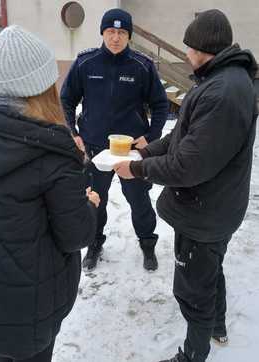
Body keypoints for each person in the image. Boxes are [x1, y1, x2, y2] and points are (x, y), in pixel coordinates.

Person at [113, 9, 258, 362]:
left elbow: (187, 165)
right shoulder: (222, 80)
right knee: (210, 270)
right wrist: (145, 149)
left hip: (205, 211)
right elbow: (182, 138)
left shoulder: (222, 92)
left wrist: (138, 169)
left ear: (202, 48)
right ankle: (218, 327)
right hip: (216, 207)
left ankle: (194, 353)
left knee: (193, 290)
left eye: (189, 47)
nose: (186, 53)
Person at [0, 25, 99, 362]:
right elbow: (75, 234)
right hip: (28, 301)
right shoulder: (52, 153)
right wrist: (88, 202)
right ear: (44, 85)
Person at [60, 8, 168, 272]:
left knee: (139, 201)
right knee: (96, 199)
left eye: (121, 32)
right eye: (111, 31)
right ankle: (95, 242)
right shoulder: (86, 63)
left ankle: (147, 243)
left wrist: (151, 137)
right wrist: (73, 132)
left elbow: (161, 104)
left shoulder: (142, 66)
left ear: (128, 35)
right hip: (95, 149)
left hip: (130, 152)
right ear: (103, 33)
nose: (116, 37)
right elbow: (66, 98)